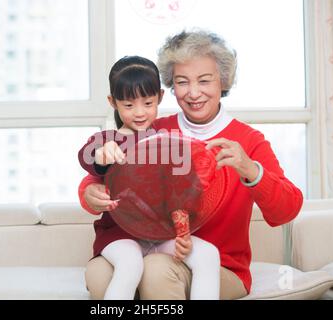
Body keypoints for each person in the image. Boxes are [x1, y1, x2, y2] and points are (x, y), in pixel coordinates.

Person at [79, 30, 304, 300]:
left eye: (204, 80)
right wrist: (90, 192)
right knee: (102, 275)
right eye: (182, 82)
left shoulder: (248, 141)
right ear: (170, 89)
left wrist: (250, 170)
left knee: (155, 270)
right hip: (151, 244)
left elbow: (286, 211)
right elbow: (106, 170)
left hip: (218, 264)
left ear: (223, 81)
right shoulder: (156, 131)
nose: (193, 93)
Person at [78, 55, 222, 300]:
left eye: (148, 102)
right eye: (129, 105)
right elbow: (87, 155)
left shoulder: (167, 142)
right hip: (119, 235)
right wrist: (102, 155)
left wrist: (183, 233)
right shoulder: (107, 139)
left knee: (208, 254)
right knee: (130, 264)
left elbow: (180, 195)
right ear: (113, 102)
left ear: (160, 98)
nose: (140, 113)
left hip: (161, 235)